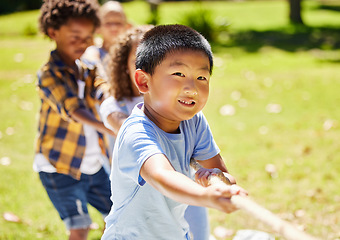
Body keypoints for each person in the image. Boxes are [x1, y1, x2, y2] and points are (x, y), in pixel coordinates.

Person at [101, 24, 247, 240]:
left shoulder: (194, 122)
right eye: (178, 74)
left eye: (201, 77)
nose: (192, 87)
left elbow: (219, 171)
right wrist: (206, 195)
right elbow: (162, 176)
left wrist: (222, 184)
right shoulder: (136, 131)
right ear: (143, 81)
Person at [34, 1, 114, 239]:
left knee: (120, 214)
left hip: (93, 164)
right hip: (60, 166)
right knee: (79, 227)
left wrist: (116, 99)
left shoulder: (88, 68)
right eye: (76, 35)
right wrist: (106, 126)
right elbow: (72, 108)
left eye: (88, 36)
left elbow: (103, 88)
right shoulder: (49, 73)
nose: (83, 42)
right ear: (53, 32)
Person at [82, 0, 131, 73]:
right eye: (108, 23)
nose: (114, 28)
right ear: (98, 28)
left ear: (127, 27)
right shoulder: (93, 52)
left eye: (118, 23)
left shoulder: (130, 54)